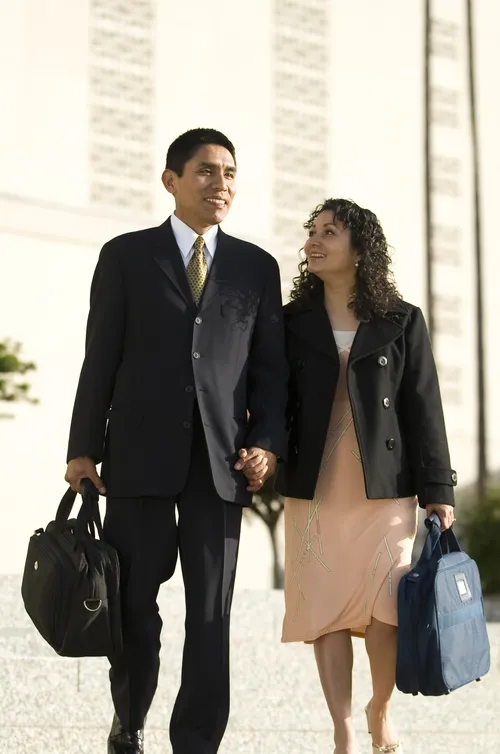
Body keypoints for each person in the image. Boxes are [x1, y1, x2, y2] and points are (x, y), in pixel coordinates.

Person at [64, 128, 288, 754]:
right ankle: (129, 719)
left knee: (210, 619)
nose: (222, 185)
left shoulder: (255, 267)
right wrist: (83, 447)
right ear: (171, 180)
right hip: (136, 464)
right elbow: (99, 358)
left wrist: (266, 444)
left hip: (221, 469)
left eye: (231, 174)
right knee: (134, 605)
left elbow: (271, 373)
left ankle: (196, 743)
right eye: (207, 172)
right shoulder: (126, 256)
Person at [271, 198, 456, 754]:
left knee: (386, 608)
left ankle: (380, 707)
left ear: (360, 248)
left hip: (385, 486)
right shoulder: (290, 322)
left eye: (329, 232)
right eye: (313, 233)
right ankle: (344, 726)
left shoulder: (401, 320)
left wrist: (439, 491)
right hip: (315, 485)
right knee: (325, 607)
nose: (314, 242)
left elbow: (425, 408)